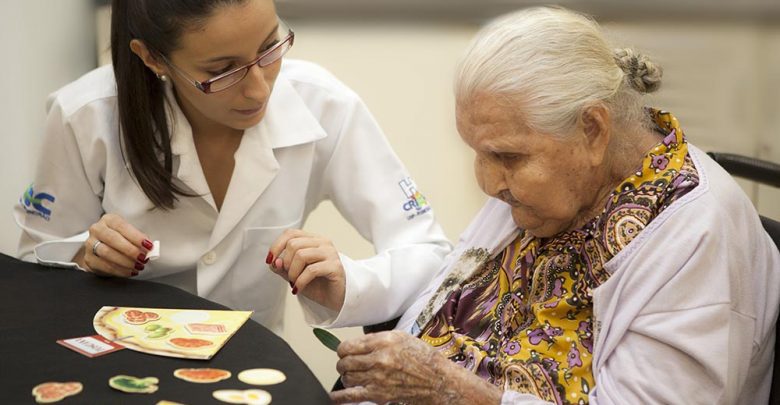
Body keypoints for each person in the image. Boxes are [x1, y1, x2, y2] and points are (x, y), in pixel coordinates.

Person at [331, 6, 780, 404]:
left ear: (593, 129)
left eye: (506, 157)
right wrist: (353, 291)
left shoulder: (698, 237)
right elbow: (445, 296)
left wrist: (452, 391)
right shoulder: (553, 190)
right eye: (479, 153)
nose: (487, 183)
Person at [13, 0, 451, 335]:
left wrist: (347, 281)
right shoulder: (84, 116)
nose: (258, 90)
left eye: (269, 49)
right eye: (222, 71)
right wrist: (84, 256)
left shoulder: (325, 106)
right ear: (152, 58)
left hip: (251, 374)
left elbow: (429, 253)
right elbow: (32, 267)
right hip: (117, 367)